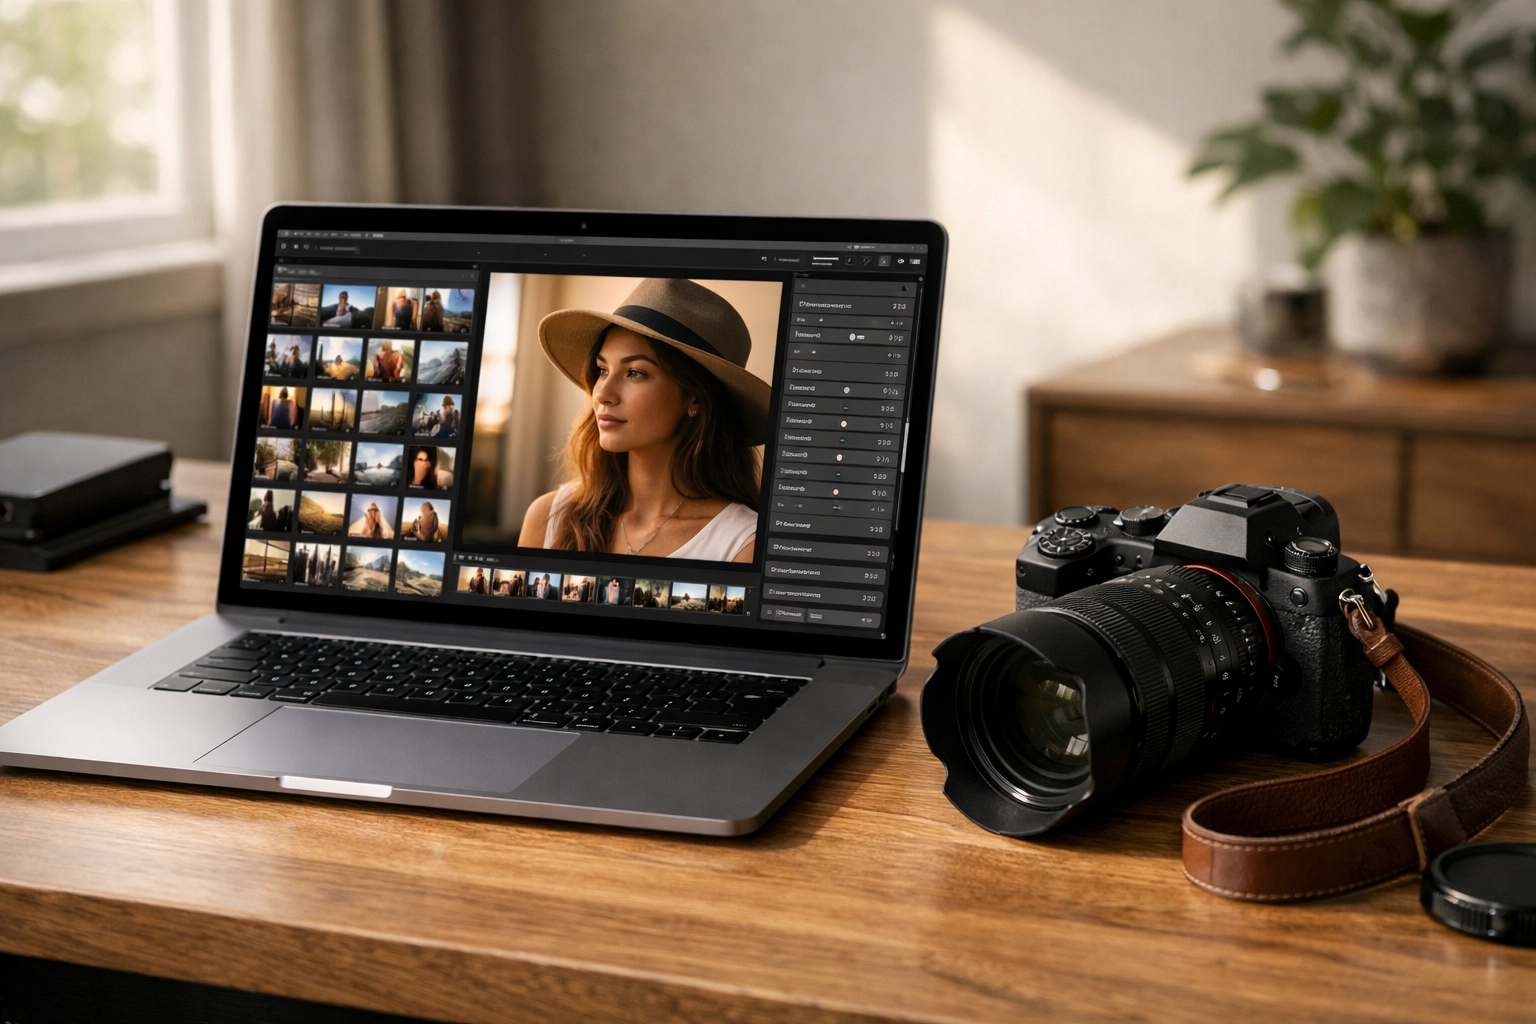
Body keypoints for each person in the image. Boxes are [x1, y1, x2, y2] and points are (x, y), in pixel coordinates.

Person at [519, 279, 765, 563]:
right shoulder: (549, 518)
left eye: (635, 372)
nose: (602, 394)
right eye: (602, 370)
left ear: (694, 399)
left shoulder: (742, 544)